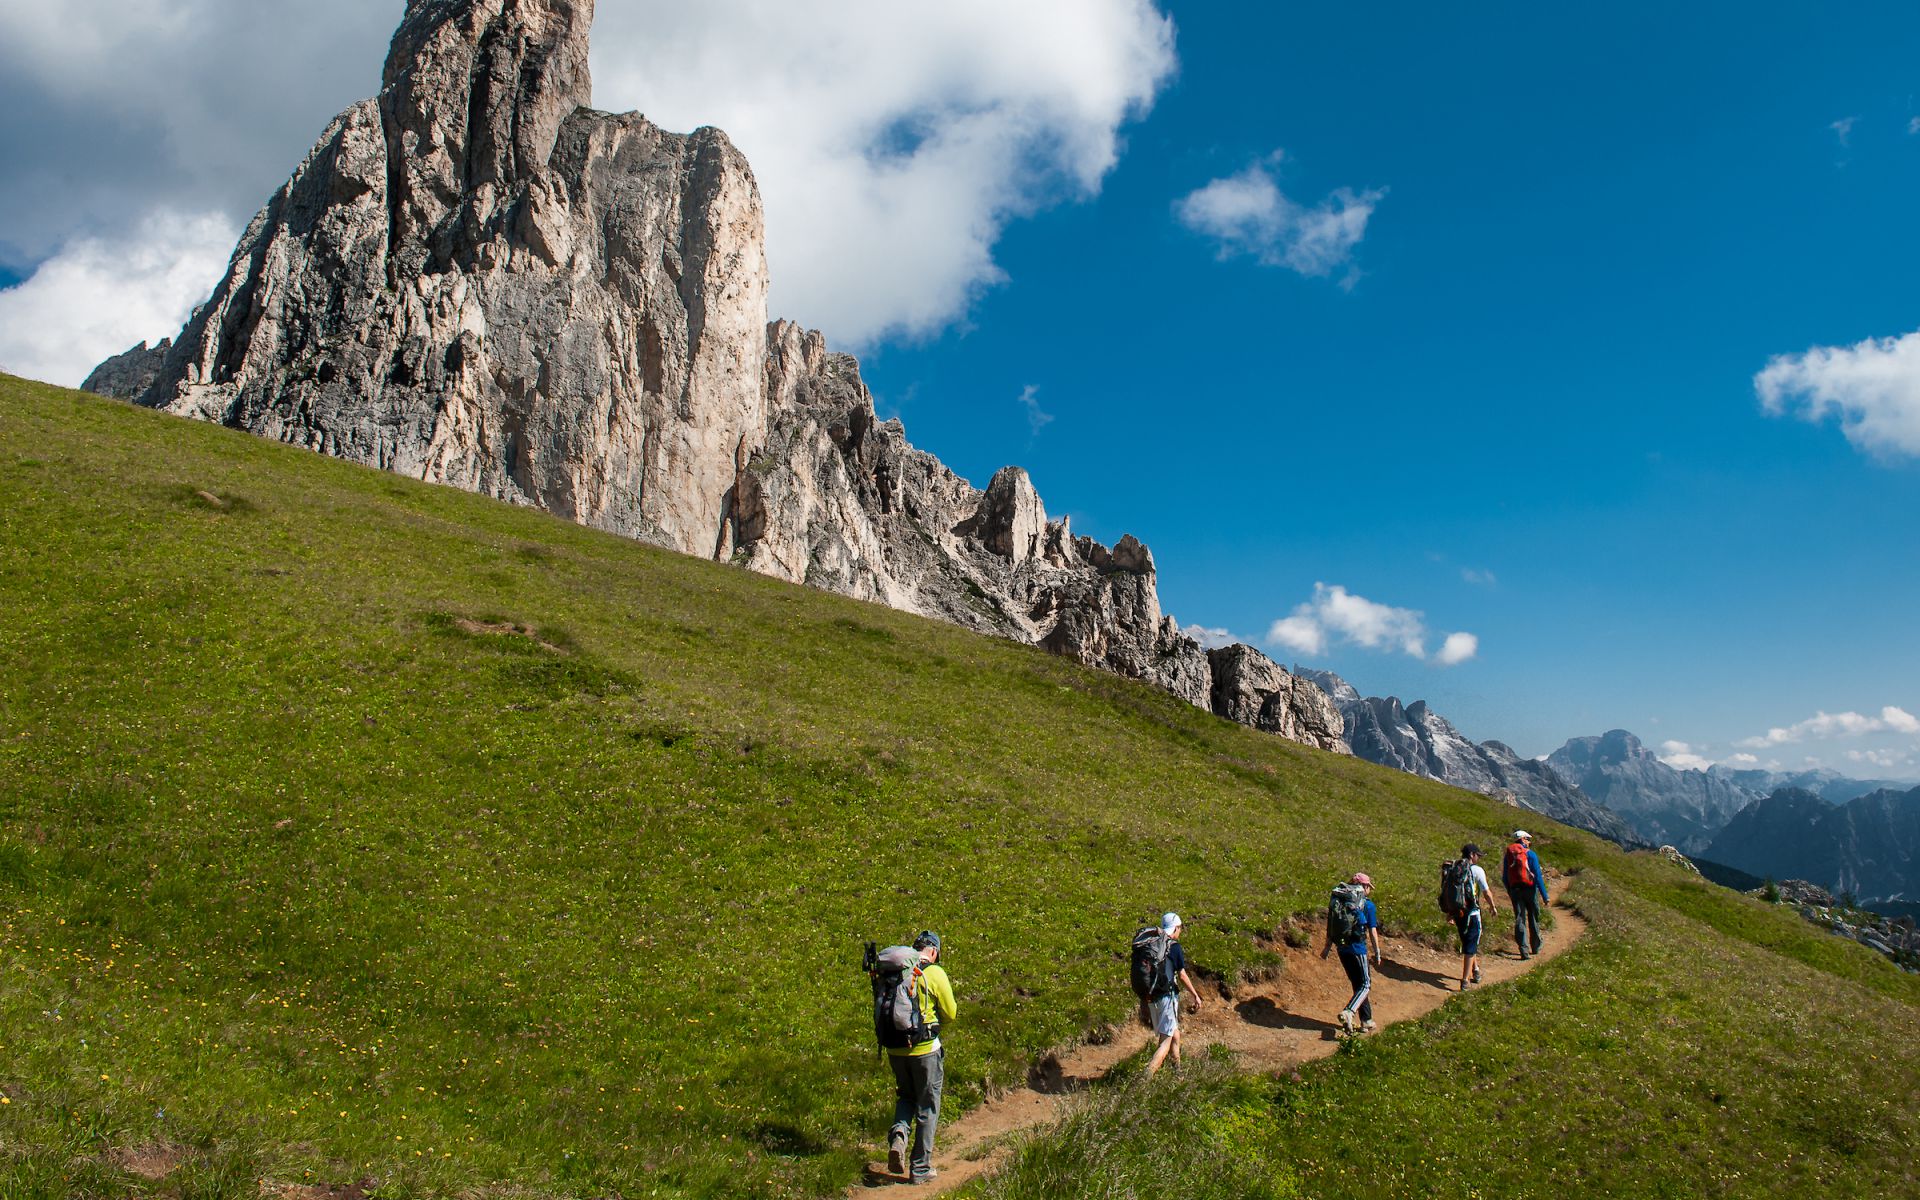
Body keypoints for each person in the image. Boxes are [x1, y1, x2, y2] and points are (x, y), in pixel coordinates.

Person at [886, 931, 956, 1185]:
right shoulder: (934, 972)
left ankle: (899, 1135)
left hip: (895, 1048)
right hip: (925, 1049)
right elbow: (951, 1012)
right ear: (934, 951)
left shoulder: (897, 971)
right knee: (927, 1105)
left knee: (906, 1095)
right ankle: (920, 1169)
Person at [1145, 912, 1204, 1077]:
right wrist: (1195, 995)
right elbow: (1182, 975)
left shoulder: (1153, 944)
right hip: (1167, 996)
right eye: (1180, 928)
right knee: (1165, 1041)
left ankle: (1177, 1072)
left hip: (1152, 997)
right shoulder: (1174, 947)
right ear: (1176, 928)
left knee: (1174, 1033)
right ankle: (1144, 1080)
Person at [1321, 873, 1381, 1035]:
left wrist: (1327, 947)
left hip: (1342, 948)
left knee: (1357, 983)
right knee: (1366, 984)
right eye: (1369, 886)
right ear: (1365, 887)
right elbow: (1372, 931)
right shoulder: (1368, 905)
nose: (1369, 890)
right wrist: (1377, 952)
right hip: (1357, 949)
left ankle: (1366, 1020)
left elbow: (1331, 923)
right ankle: (1349, 1012)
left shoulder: (1339, 901)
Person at [1453, 843, 1499, 990]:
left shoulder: (1456, 869)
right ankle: (1465, 980)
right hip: (1472, 913)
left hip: (1458, 913)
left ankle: (1476, 970)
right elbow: (1486, 892)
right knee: (1470, 946)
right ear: (1472, 855)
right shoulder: (1477, 870)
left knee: (1468, 943)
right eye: (1478, 855)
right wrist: (1492, 906)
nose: (1479, 857)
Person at [1503, 831, 1549, 959]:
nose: (1529, 841)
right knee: (1533, 917)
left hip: (1515, 891)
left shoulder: (1508, 856)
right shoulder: (1531, 854)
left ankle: (1523, 950)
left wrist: (1510, 890)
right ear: (1523, 839)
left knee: (1520, 918)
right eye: (1528, 839)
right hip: (1530, 890)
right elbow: (1538, 877)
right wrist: (1545, 896)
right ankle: (1535, 946)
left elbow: (1504, 877)